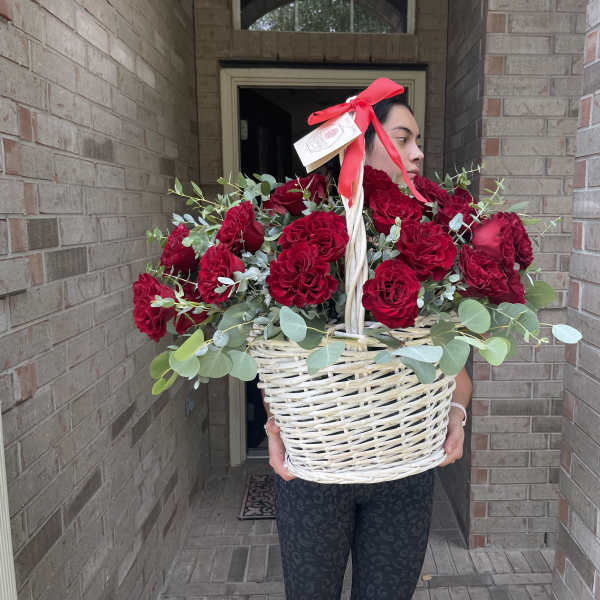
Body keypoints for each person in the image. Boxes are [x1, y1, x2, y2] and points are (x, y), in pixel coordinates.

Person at [264, 94, 473, 600]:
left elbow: (455, 365)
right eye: (403, 139)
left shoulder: (437, 237)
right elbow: (279, 358)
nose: (418, 153)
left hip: (404, 468)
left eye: (418, 141)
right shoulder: (303, 228)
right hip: (315, 471)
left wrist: (457, 414)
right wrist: (274, 425)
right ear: (357, 146)